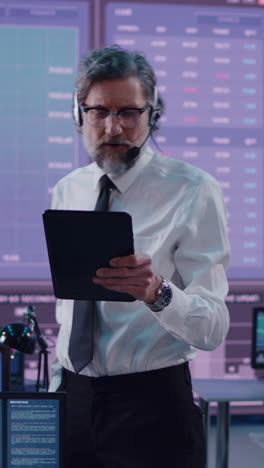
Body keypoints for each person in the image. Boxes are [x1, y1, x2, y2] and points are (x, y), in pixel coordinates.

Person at [49, 45, 230, 468]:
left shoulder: (193, 190)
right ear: (79, 115)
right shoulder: (68, 190)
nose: (114, 127)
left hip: (152, 408)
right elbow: (67, 309)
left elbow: (214, 327)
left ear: (153, 115)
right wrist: (57, 387)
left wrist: (157, 292)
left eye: (129, 112)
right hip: (71, 401)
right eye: (99, 111)